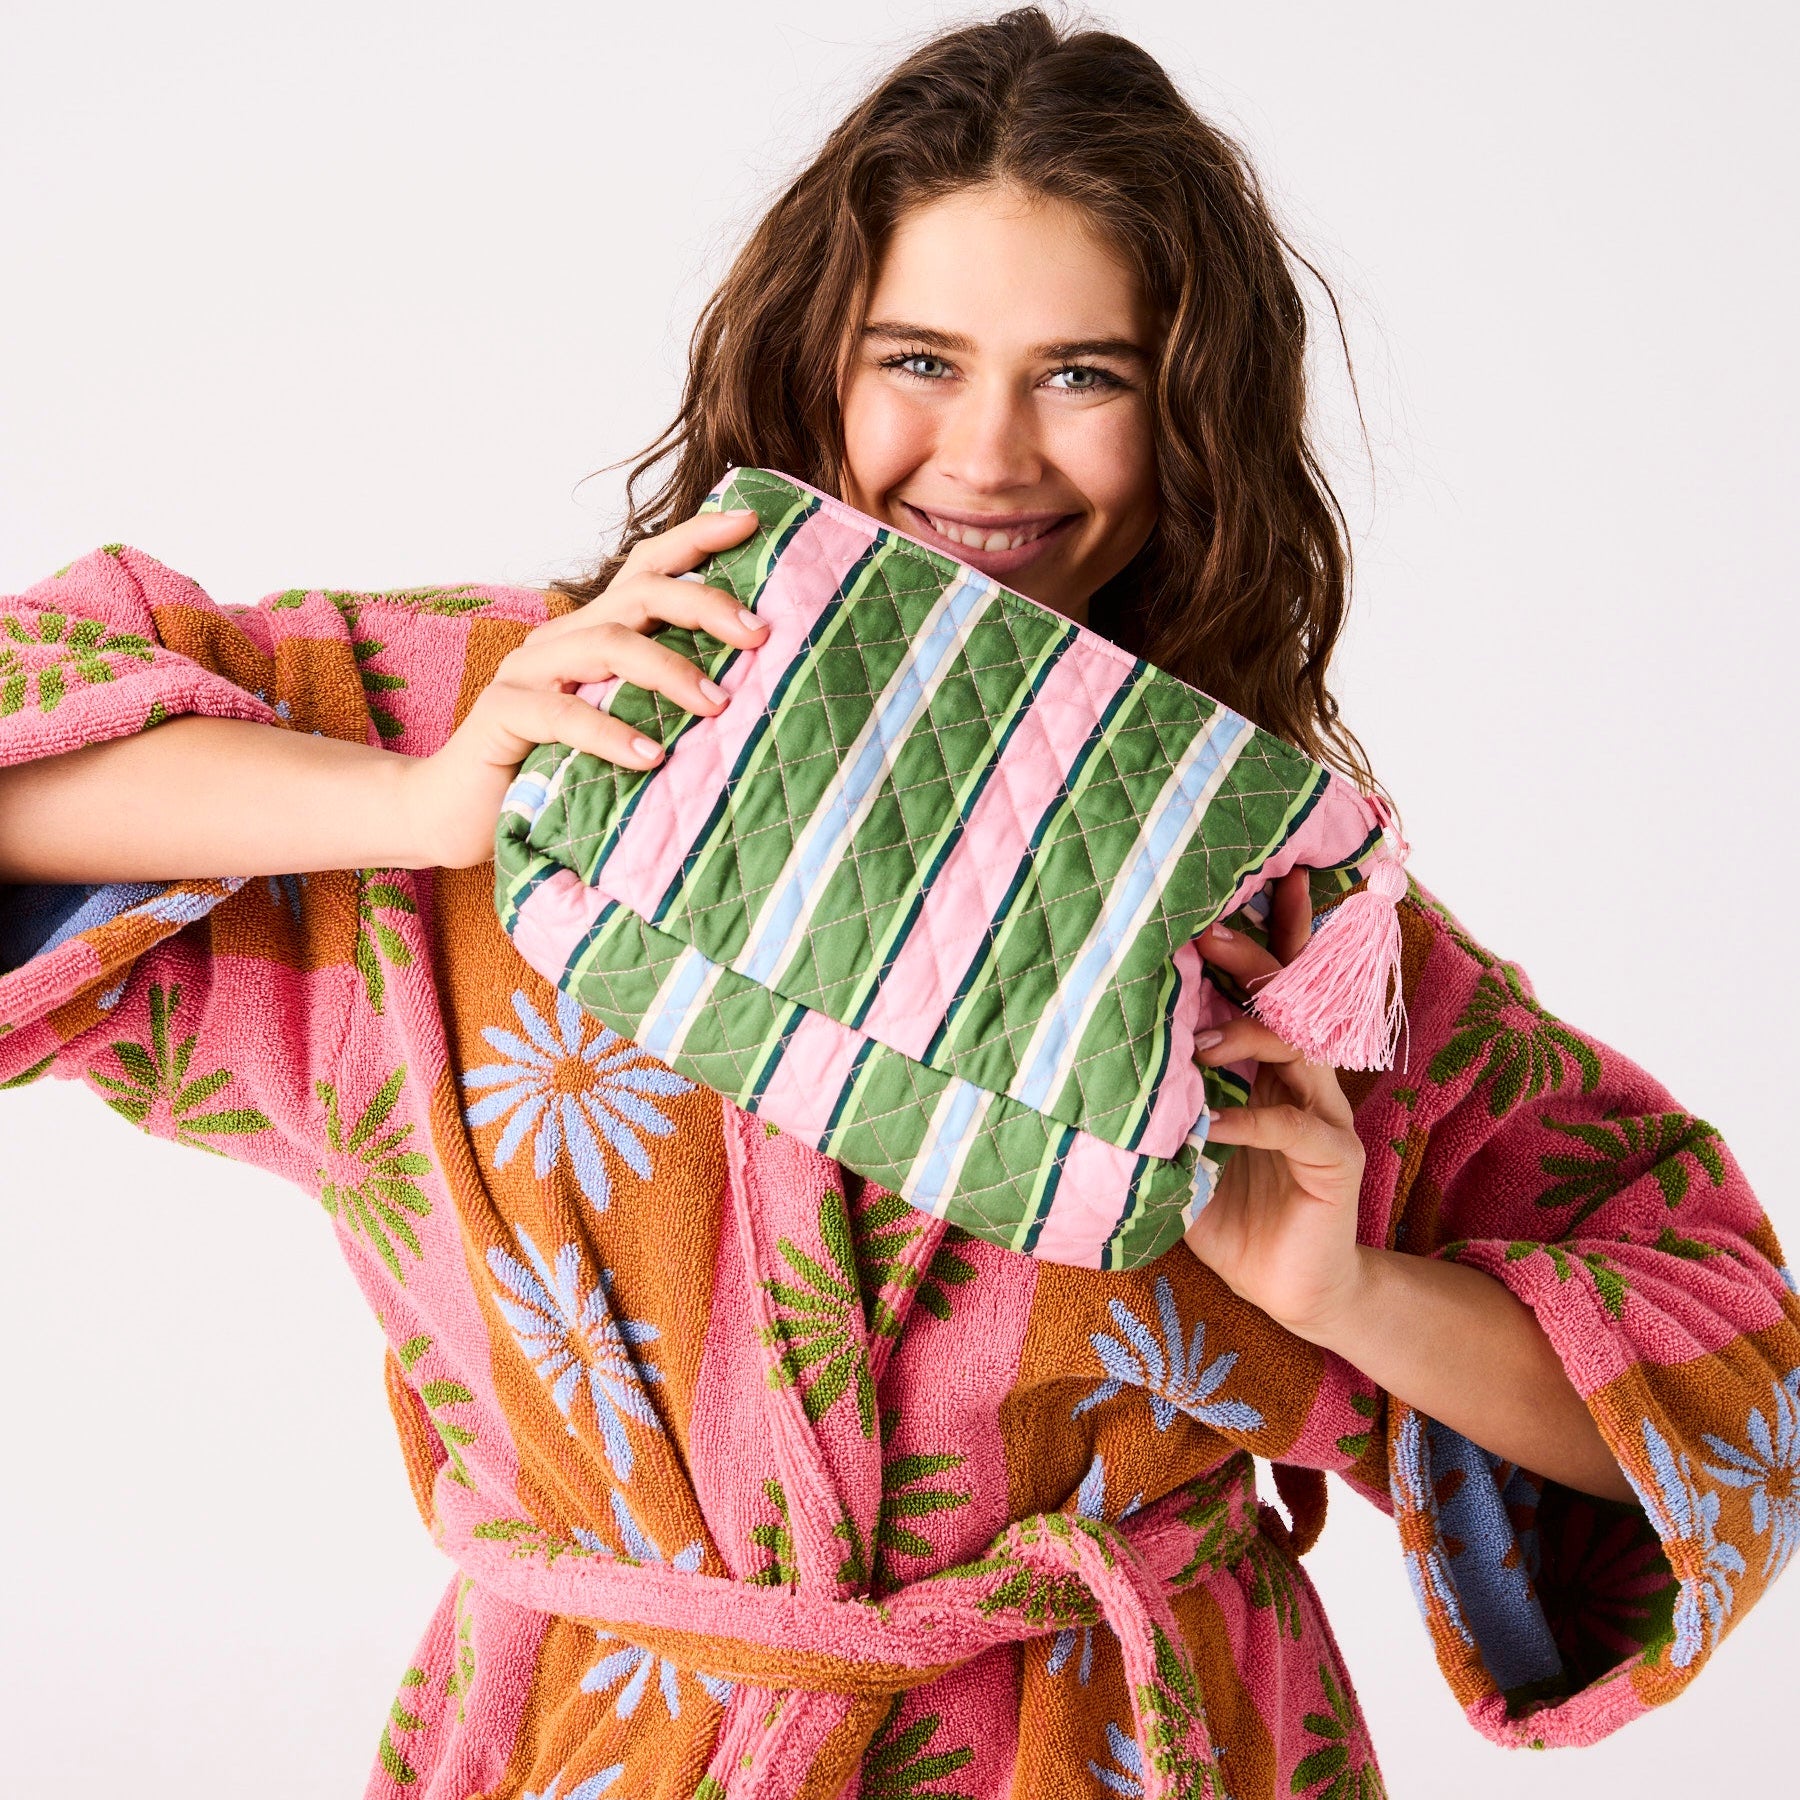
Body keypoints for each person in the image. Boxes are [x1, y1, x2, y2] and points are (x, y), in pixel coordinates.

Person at [1, 10, 1792, 1797]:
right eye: (916, 359)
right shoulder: (521, 713)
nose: (989, 456)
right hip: (600, 1745)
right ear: (807, 364)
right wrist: (419, 801)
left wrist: (1345, 1292)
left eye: (1085, 374)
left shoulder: (1282, 934)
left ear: (1194, 425)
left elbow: (1733, 1394)